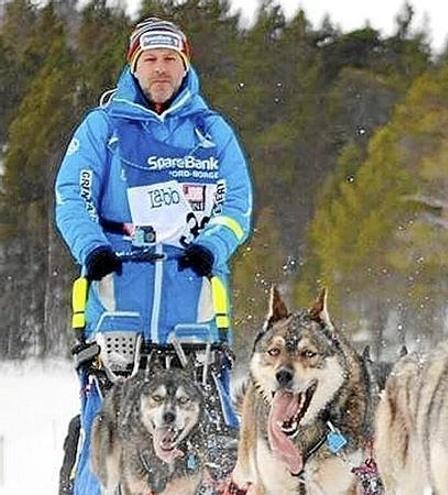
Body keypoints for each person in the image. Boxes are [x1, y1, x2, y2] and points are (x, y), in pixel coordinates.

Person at [54, 17, 252, 495]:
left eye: (170, 60)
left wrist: (212, 246)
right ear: (134, 66)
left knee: (213, 446)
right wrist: (92, 248)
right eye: (151, 60)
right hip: (119, 305)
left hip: (196, 312)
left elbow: (237, 205)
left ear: (184, 67)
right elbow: (71, 197)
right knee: (107, 443)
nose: (160, 69)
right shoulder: (104, 127)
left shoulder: (212, 132)